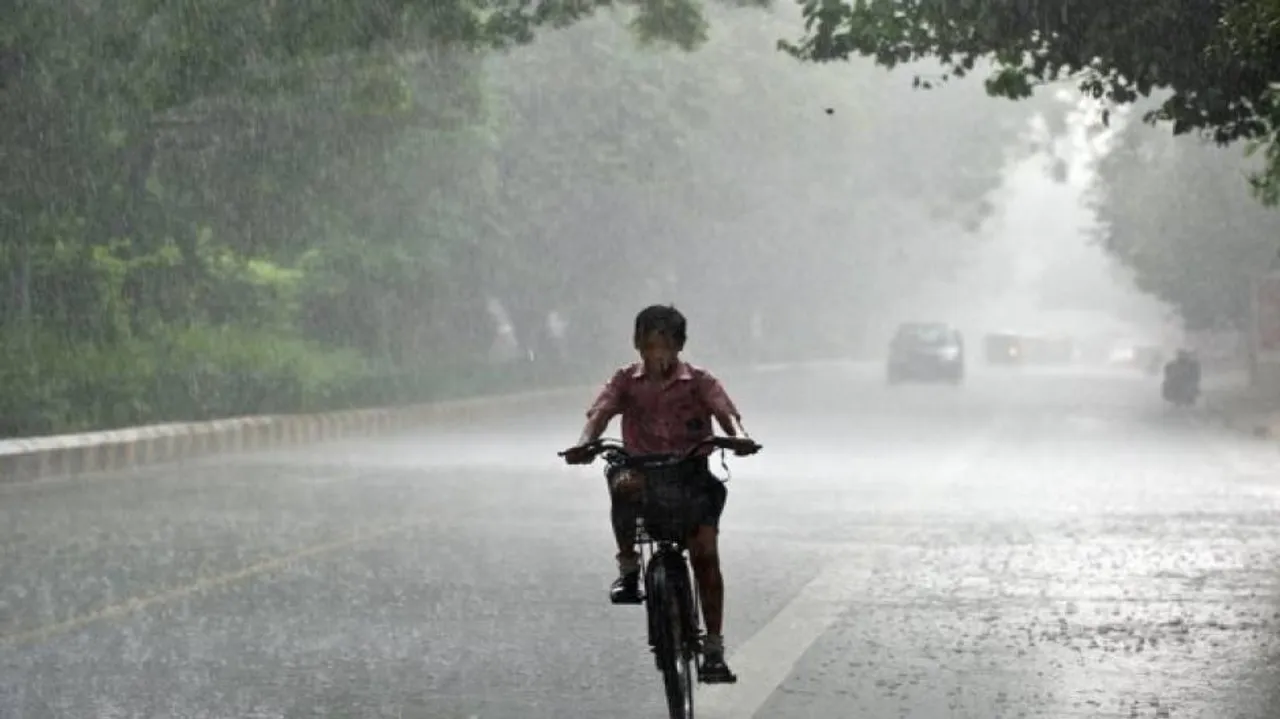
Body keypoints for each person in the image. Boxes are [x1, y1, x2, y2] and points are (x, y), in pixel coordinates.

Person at [561, 304, 748, 684]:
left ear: (679, 345)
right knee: (622, 483)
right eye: (649, 346)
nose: (657, 355)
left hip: (690, 475)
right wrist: (584, 444)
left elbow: (727, 414)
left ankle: (713, 647)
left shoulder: (699, 382)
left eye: (665, 345)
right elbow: (599, 414)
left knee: (705, 556)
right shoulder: (625, 381)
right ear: (638, 345)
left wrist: (740, 438)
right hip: (643, 473)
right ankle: (629, 568)